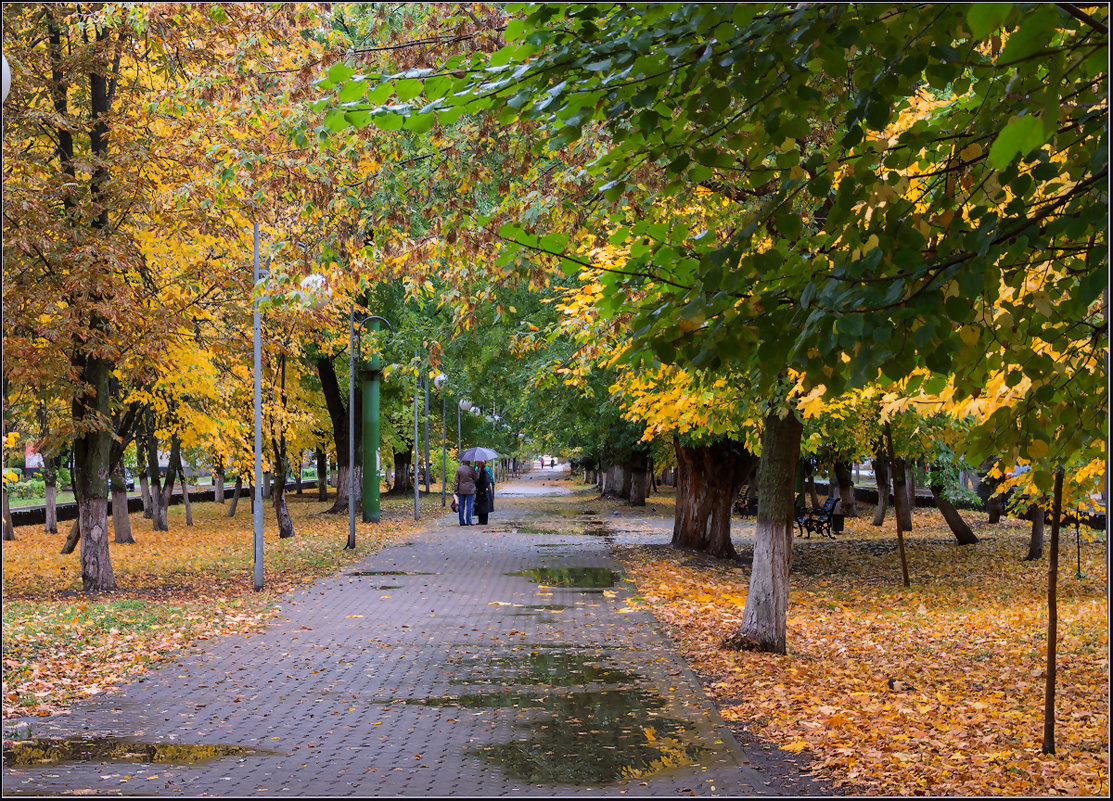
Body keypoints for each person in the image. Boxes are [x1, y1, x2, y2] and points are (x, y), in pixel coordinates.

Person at [453, 460, 477, 525]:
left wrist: (455, 490)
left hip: (461, 489)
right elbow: (476, 478)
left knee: (461, 506)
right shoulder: (472, 469)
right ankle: (469, 521)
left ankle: (461, 521)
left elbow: (456, 481)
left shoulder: (459, 469)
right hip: (470, 489)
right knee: (469, 505)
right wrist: (477, 472)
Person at [474, 460, 495, 525]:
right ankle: (481, 520)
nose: (477, 465)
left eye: (478, 464)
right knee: (481, 506)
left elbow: (486, 481)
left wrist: (482, 490)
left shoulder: (484, 471)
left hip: (483, 491)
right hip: (482, 491)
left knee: (484, 506)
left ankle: (483, 521)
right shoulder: (482, 471)